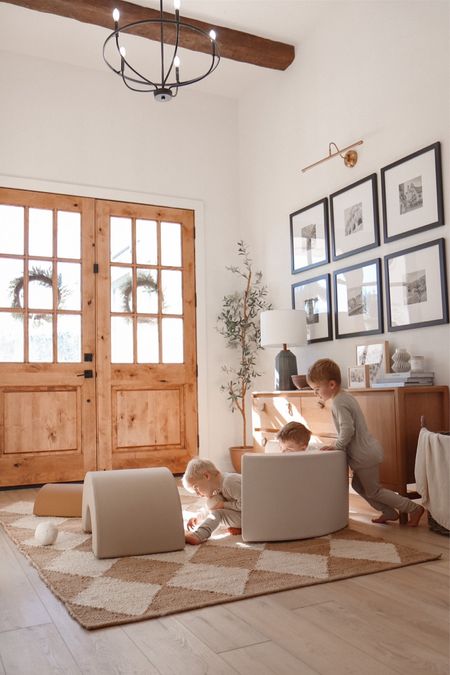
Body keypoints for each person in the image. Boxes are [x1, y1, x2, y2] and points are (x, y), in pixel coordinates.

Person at [306, 358, 425, 527]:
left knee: (374, 490)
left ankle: (412, 508)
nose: (315, 393)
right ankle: (389, 512)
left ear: (331, 385)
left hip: (364, 454)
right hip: (365, 452)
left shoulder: (339, 403)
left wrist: (337, 446)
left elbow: (348, 430)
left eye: (317, 389)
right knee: (358, 486)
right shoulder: (344, 396)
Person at [182, 458, 242, 545]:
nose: (198, 494)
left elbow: (248, 505)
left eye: (196, 488)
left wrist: (223, 505)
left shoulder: (229, 482)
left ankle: (198, 536)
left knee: (218, 514)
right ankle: (240, 527)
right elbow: (210, 506)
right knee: (214, 501)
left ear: (206, 476)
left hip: (256, 517)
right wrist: (198, 517)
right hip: (247, 515)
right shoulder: (218, 486)